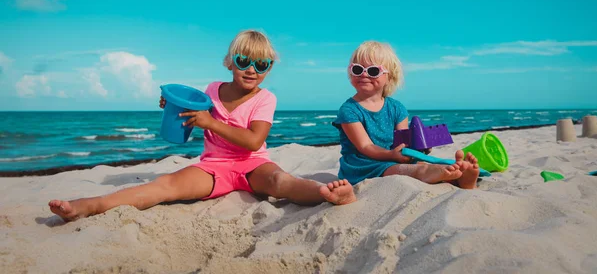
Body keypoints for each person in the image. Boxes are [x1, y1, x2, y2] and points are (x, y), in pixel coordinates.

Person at [49, 30, 355, 221]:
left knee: (280, 182)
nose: (252, 70)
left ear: (269, 68)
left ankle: (325, 193)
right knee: (164, 186)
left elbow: (252, 141)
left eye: (261, 65)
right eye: (244, 60)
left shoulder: (266, 99)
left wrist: (210, 121)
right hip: (214, 166)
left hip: (253, 164)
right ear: (229, 61)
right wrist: (177, 112)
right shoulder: (211, 89)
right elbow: (192, 125)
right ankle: (89, 205)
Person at [334, 41, 479, 189]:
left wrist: (418, 148)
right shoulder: (349, 110)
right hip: (362, 165)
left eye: (373, 71)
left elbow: (402, 143)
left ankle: (462, 178)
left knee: (415, 164)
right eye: (358, 69)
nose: (364, 74)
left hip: (393, 157)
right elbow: (366, 146)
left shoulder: (397, 108)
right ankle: (440, 174)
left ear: (389, 78)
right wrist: (391, 155)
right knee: (402, 170)